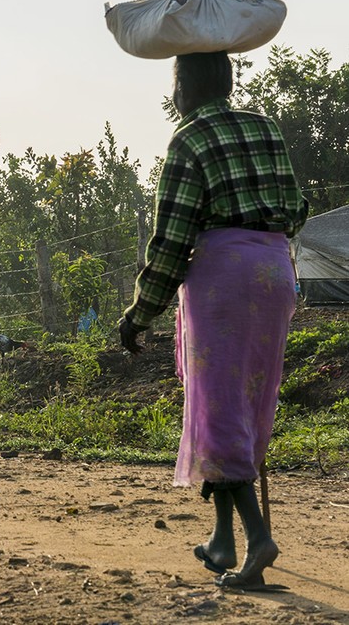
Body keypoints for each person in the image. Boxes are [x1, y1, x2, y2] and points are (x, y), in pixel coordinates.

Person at [119, 51, 308, 588]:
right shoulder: (265, 128)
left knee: (220, 407)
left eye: (175, 82)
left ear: (186, 87)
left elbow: (173, 240)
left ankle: (257, 537)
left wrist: (140, 312)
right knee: (240, 400)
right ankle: (222, 541)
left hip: (223, 279)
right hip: (274, 273)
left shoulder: (189, 138)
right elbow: (296, 210)